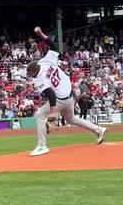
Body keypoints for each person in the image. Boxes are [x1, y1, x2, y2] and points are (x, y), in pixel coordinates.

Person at [26, 27, 107, 156]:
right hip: (69, 95)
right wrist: (42, 34)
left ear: (34, 71)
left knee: (40, 115)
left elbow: (51, 95)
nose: (31, 76)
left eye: (31, 74)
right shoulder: (44, 61)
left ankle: (42, 146)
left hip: (59, 98)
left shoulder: (39, 78)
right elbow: (53, 46)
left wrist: (52, 115)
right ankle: (99, 129)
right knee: (71, 119)